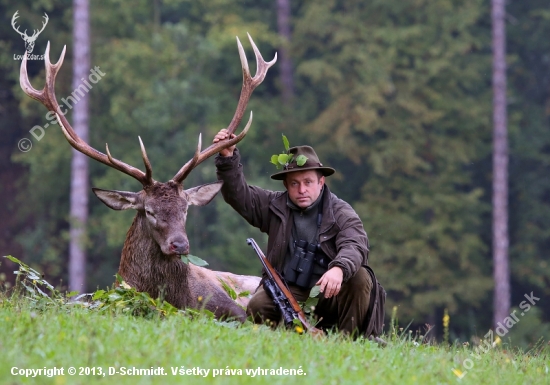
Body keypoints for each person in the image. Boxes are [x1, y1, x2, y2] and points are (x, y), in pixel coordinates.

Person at [213, 129, 375, 337]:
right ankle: (284, 341)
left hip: (329, 292)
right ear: (286, 185)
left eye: (308, 182)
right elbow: (238, 195)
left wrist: (339, 268)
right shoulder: (274, 205)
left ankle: (346, 342)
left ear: (321, 182)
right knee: (258, 305)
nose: (302, 190)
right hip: (289, 290)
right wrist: (227, 158)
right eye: (294, 184)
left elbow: (356, 244)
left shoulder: (341, 212)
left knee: (359, 276)